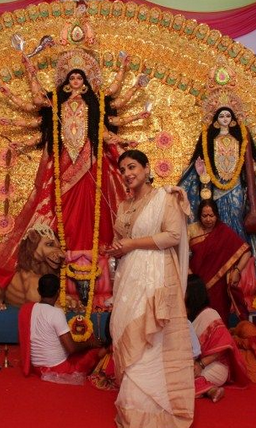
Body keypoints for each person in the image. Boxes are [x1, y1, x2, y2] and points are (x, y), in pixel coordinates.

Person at [0, 49, 148, 309]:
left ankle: (97, 277)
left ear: (86, 81)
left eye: (80, 78)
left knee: (94, 215)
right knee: (62, 216)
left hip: (91, 167)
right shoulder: (56, 105)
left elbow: (104, 133)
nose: (76, 82)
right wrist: (20, 75)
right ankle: (62, 274)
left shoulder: (96, 107)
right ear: (66, 81)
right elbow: (34, 106)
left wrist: (124, 140)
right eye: (72, 77)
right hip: (64, 168)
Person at [106, 150, 194, 427]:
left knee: (151, 336)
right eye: (122, 170)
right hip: (128, 278)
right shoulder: (123, 206)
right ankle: (133, 400)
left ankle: (147, 406)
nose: (127, 173)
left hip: (156, 274)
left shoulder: (164, 197)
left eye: (132, 167)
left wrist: (131, 244)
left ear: (146, 168)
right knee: (124, 329)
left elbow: (173, 235)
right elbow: (121, 240)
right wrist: (117, 249)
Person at [179, 106, 256, 280]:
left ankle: (241, 265)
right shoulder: (210, 140)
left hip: (236, 189)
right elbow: (205, 165)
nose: (225, 118)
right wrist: (202, 173)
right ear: (216, 120)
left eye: (228, 115)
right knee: (220, 222)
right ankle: (221, 262)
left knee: (236, 220)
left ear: (233, 119)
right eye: (222, 116)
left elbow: (247, 161)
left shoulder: (239, 138)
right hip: (217, 188)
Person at [18, 273, 103, 381]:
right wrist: (90, 343)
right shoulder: (56, 313)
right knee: (94, 351)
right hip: (56, 369)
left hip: (36, 367)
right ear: (58, 292)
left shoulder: (29, 309)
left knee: (80, 349)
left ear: (38, 291)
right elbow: (71, 348)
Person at [188, 198, 256, 323]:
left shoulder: (223, 231)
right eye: (204, 216)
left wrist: (237, 270)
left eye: (211, 215)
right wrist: (188, 273)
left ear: (217, 215)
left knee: (218, 318)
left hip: (219, 287)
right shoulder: (191, 230)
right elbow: (182, 254)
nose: (208, 219)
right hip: (196, 284)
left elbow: (246, 252)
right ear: (199, 215)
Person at [185, 274, 249, 402]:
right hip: (194, 365)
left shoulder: (209, 314)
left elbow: (224, 347)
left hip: (214, 367)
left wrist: (201, 364)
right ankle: (210, 390)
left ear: (192, 294)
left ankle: (209, 389)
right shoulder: (189, 315)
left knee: (181, 383)